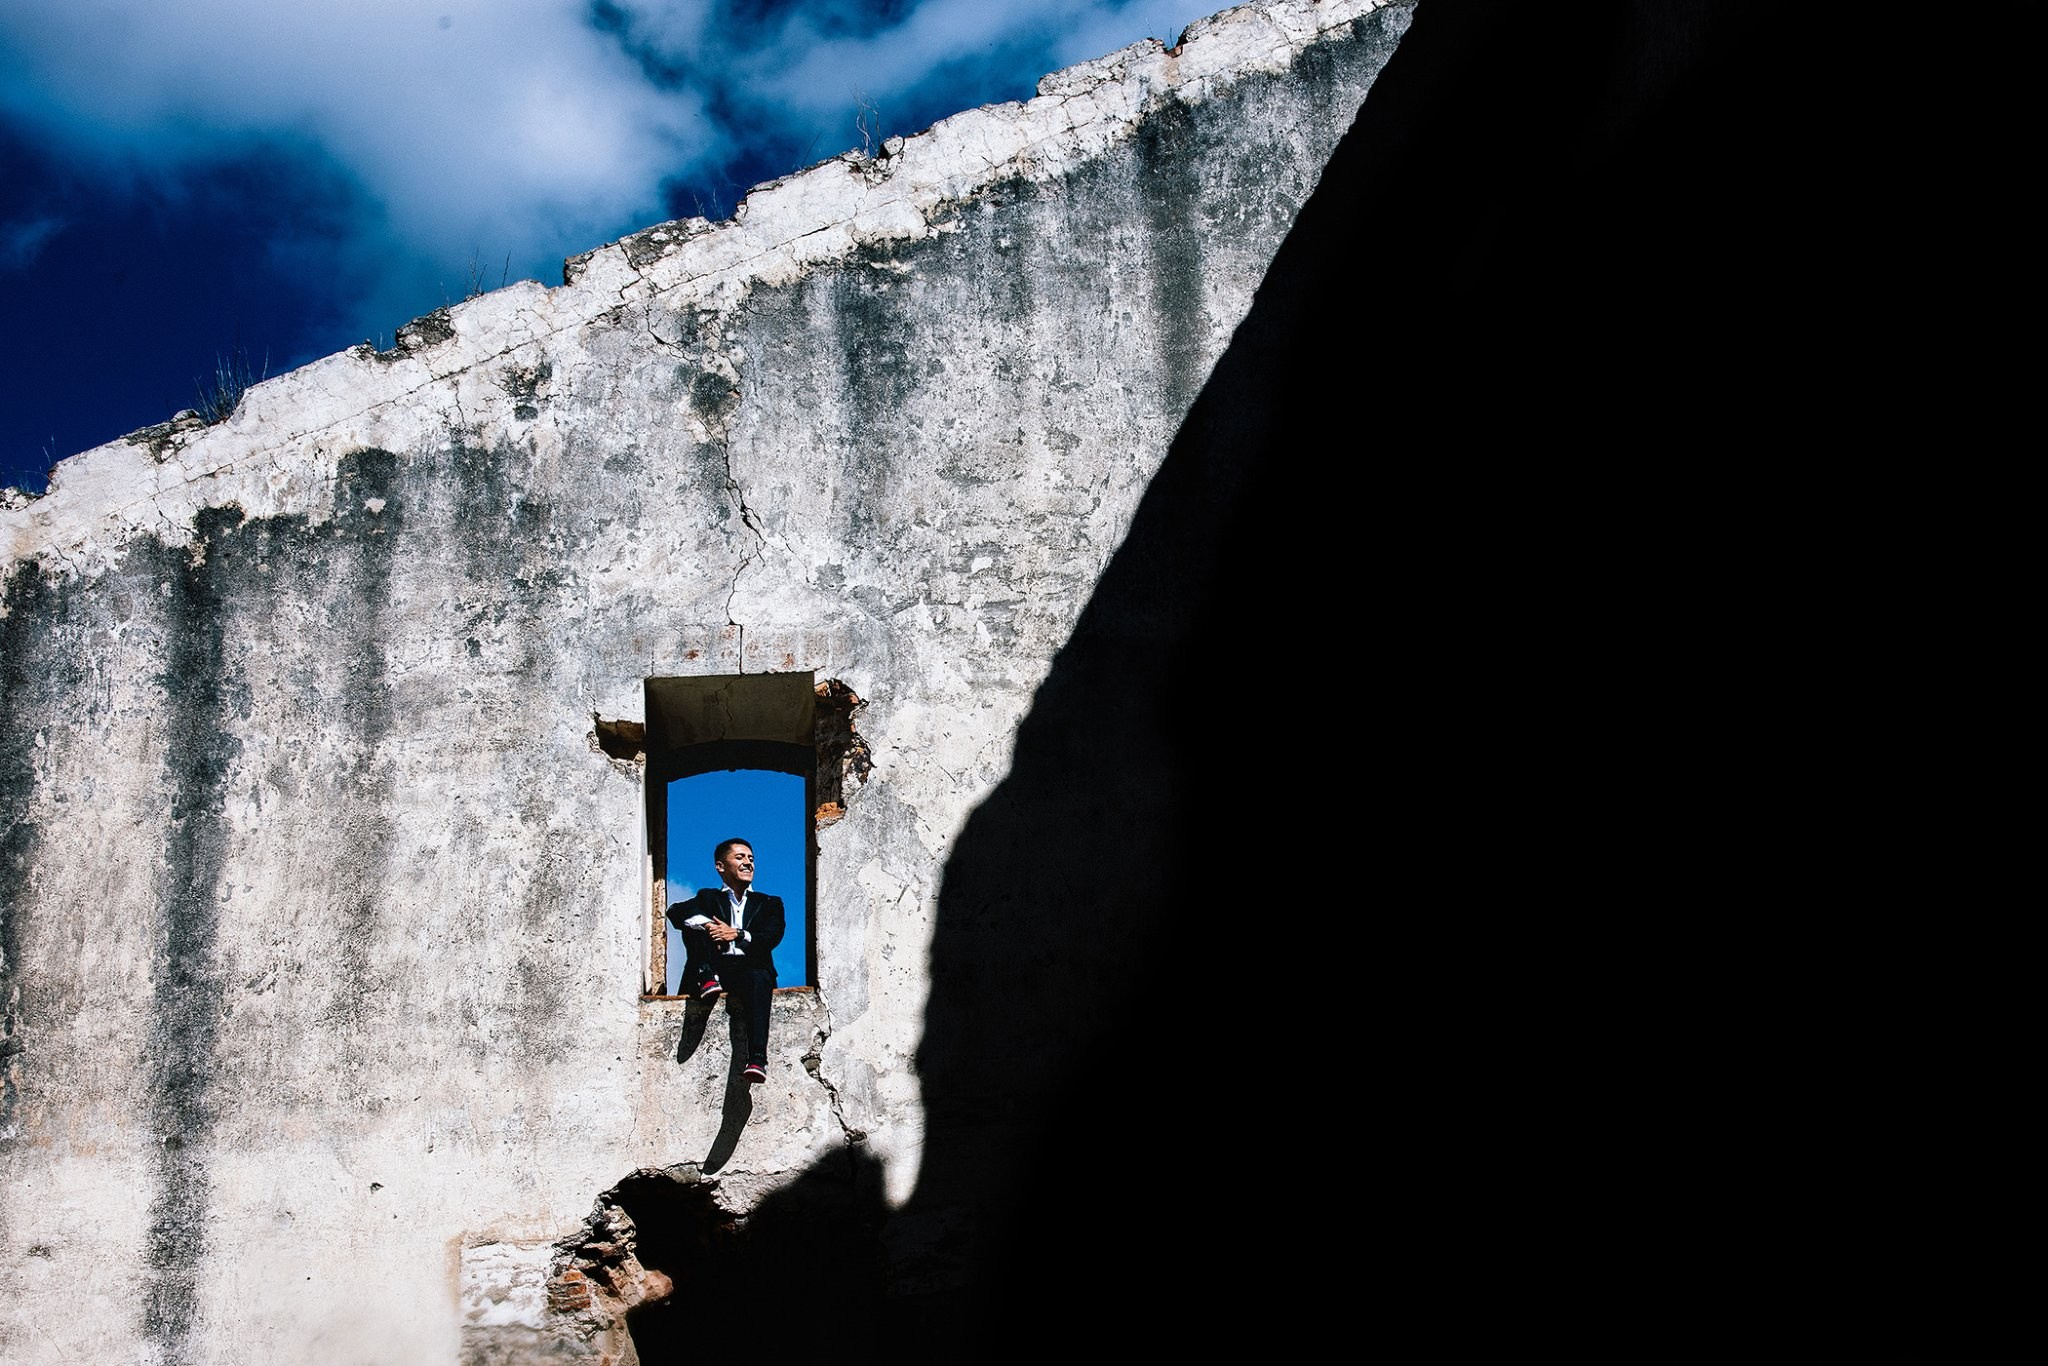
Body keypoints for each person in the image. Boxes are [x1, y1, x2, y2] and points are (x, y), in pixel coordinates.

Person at [667, 838, 785, 1084]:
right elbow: (675, 912)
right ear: (721, 866)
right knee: (696, 924)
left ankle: (757, 1059)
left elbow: (771, 937)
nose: (748, 863)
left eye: (751, 859)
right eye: (740, 857)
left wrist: (738, 934)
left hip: (749, 971)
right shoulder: (708, 898)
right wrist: (709, 925)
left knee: (758, 974)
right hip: (715, 968)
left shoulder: (769, 903)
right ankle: (706, 976)